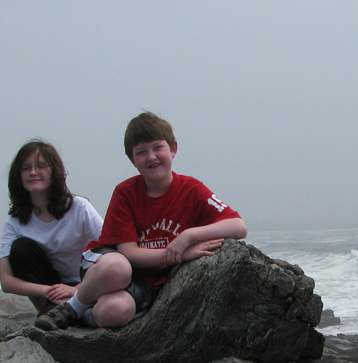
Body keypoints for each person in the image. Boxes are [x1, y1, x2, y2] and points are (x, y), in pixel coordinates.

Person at [35, 112, 247, 330]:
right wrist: (178, 255)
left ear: (173, 148)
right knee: (118, 269)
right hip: (107, 264)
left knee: (114, 311)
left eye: (157, 147)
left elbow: (238, 226)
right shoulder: (126, 193)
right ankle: (71, 309)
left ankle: (83, 313)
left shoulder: (191, 190)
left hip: (147, 280)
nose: (151, 157)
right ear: (133, 160)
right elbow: (129, 254)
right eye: (141, 152)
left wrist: (189, 235)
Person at [0, 140, 103, 316]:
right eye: (26, 168)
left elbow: (111, 248)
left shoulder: (79, 207)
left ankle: (70, 308)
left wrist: (77, 289)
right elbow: (6, 281)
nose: (33, 172)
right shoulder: (15, 221)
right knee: (21, 248)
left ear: (54, 171)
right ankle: (49, 309)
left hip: (86, 283)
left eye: (41, 166)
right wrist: (50, 291)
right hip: (50, 289)